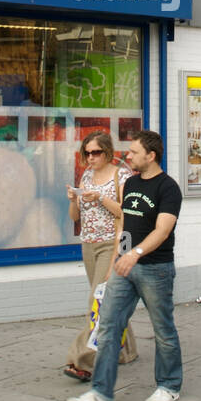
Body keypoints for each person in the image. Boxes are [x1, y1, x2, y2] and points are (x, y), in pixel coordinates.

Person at [68, 131, 183, 401]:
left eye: (133, 152)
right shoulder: (130, 183)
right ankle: (101, 393)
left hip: (155, 269)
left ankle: (169, 385)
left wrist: (136, 253)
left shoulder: (168, 188)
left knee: (163, 330)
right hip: (123, 267)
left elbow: (163, 229)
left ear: (151, 156)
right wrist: (117, 258)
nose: (127, 156)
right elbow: (124, 224)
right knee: (107, 327)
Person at [63, 131, 137, 382]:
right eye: (87, 152)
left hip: (111, 244)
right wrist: (73, 199)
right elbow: (76, 217)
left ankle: (81, 360)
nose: (90, 157)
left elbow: (125, 212)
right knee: (108, 300)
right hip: (89, 244)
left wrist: (102, 198)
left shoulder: (121, 175)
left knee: (96, 304)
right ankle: (126, 350)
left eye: (96, 152)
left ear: (108, 153)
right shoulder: (86, 175)